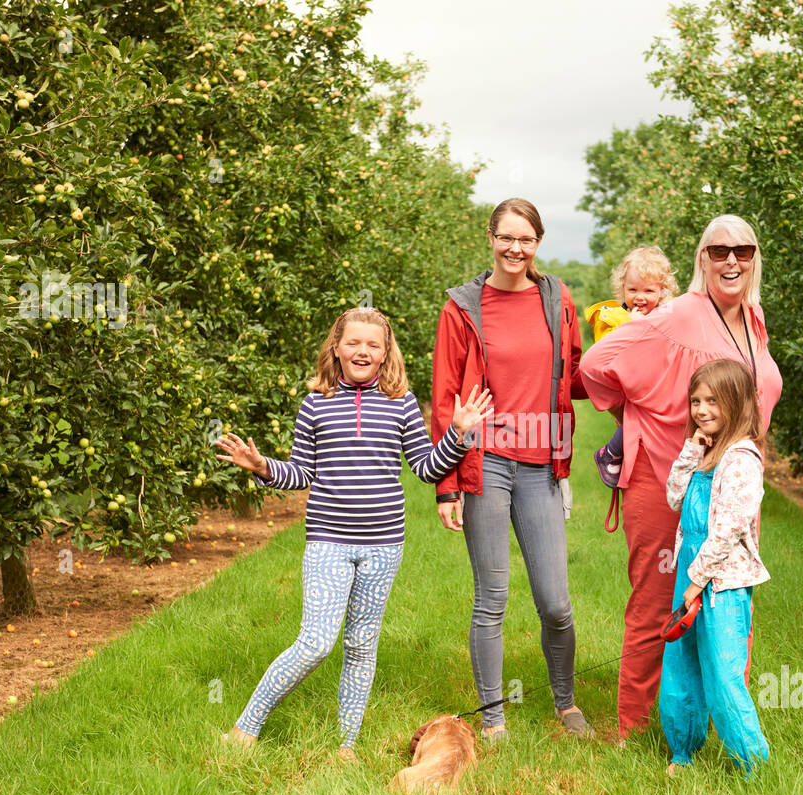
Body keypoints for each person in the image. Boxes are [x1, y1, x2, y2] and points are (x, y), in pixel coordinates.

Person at [216, 307, 492, 757]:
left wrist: (459, 435)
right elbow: (302, 473)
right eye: (353, 343)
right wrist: (263, 467)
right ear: (337, 348)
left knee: (362, 645)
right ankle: (245, 729)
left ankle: (345, 745)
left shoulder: (400, 402)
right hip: (328, 542)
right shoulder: (315, 403)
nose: (363, 351)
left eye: (373, 345)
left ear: (386, 353)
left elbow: (425, 468)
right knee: (316, 642)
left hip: (384, 545)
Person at [579, 214, 783, 741]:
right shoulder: (679, 315)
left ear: (755, 258)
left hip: (734, 483)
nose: (732, 260)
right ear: (702, 259)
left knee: (723, 601)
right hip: (673, 478)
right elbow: (599, 362)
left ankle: (709, 728)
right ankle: (636, 727)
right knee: (657, 602)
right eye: (719, 251)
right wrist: (651, 415)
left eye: (743, 250)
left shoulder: (752, 317)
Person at [430, 198, 593, 741]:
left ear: (538, 243)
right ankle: (494, 717)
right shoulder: (461, 307)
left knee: (555, 601)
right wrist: (446, 487)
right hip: (486, 462)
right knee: (492, 597)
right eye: (507, 238)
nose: (515, 249)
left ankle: (565, 703)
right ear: (490, 237)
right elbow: (446, 395)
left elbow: (574, 373)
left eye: (526, 240)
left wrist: (626, 370)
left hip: (542, 460)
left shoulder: (556, 298)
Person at [661, 360, 770, 776]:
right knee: (681, 662)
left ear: (735, 402)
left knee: (723, 673)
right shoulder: (706, 452)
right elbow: (674, 497)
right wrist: (692, 447)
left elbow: (726, 531)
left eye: (712, 401)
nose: (701, 410)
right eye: (695, 401)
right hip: (690, 570)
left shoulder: (741, 459)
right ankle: (683, 750)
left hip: (720, 580)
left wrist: (696, 582)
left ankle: (752, 763)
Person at [584, 245, 680, 492]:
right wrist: (631, 326)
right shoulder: (617, 317)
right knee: (637, 416)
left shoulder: (666, 315)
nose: (640, 296)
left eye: (649, 290)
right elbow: (604, 352)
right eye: (633, 289)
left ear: (663, 291)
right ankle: (610, 453)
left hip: (657, 384)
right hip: (629, 385)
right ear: (622, 289)